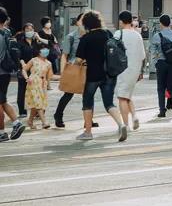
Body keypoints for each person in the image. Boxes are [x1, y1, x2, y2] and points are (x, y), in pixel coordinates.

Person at [74, 11, 127, 142]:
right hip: (109, 74)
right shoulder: (108, 34)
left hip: (93, 75)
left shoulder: (86, 38)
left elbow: (79, 60)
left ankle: (88, 132)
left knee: (87, 102)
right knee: (109, 103)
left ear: (86, 24)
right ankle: (121, 125)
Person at [54, 13, 89, 128]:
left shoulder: (90, 35)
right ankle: (58, 115)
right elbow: (64, 55)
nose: (84, 23)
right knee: (68, 93)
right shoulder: (71, 37)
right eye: (82, 20)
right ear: (77, 22)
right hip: (74, 68)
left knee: (88, 94)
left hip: (87, 68)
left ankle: (88, 120)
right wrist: (63, 72)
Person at [115, 11, 146, 131]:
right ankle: (134, 116)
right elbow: (143, 56)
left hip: (122, 69)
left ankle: (126, 125)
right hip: (134, 70)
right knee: (127, 94)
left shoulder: (118, 34)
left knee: (122, 97)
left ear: (121, 21)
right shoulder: (137, 35)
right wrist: (140, 71)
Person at [150, 15, 172, 118]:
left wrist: (155, 63)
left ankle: (162, 111)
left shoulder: (156, 36)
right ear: (170, 23)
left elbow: (153, 52)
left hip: (161, 63)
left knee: (161, 87)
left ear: (161, 23)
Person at [0, 8, 25, 142]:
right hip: (5, 73)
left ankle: (2, 133)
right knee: (2, 101)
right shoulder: (7, 32)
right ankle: (16, 123)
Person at [21, 42, 53, 130]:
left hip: (43, 84)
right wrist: (27, 78)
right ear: (38, 51)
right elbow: (24, 69)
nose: (45, 50)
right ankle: (44, 122)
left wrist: (64, 76)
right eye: (42, 48)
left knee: (37, 103)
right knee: (38, 103)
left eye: (46, 48)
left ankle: (30, 121)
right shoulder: (33, 60)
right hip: (33, 83)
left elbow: (50, 76)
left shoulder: (49, 63)